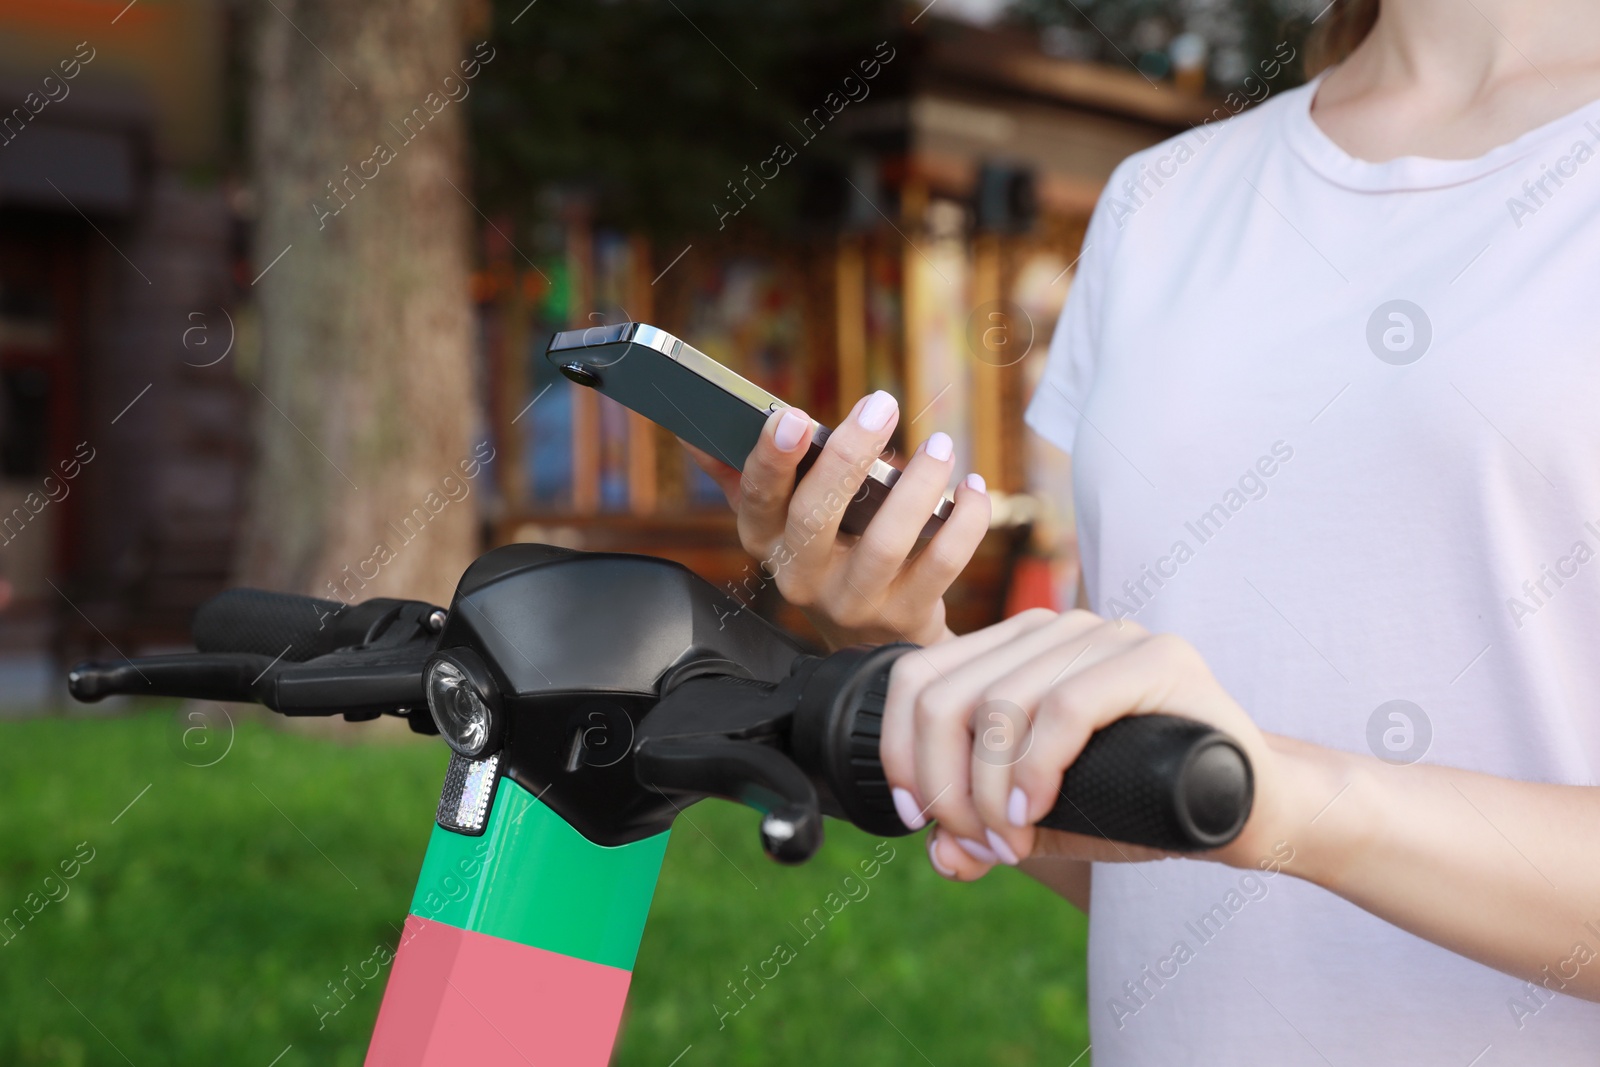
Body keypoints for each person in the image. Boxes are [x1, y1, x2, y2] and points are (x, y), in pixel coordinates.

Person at [687, 0, 1600, 1061]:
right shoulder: (1164, 200)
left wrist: (1275, 796)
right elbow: (1146, 853)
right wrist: (909, 651)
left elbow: (1246, 801)